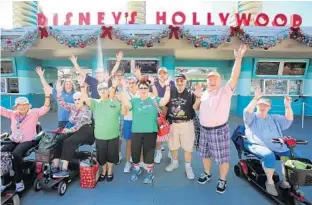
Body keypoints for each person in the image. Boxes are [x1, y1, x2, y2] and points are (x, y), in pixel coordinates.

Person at [194, 44, 248, 194]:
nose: (212, 80)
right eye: (209, 78)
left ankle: (222, 179)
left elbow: (234, 76)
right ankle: (207, 173)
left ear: (220, 80)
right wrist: (198, 98)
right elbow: (197, 108)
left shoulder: (225, 91)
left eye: (215, 78)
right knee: (205, 154)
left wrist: (238, 59)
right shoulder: (204, 93)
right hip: (204, 130)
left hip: (219, 131)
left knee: (222, 157)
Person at [69, 52, 124, 163]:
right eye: (97, 74)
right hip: (97, 109)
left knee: (115, 131)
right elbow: (81, 73)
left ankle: (116, 152)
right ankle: (99, 148)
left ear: (104, 75)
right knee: (98, 129)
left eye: (101, 74)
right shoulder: (93, 81)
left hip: (111, 110)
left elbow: (113, 71)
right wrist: (75, 63)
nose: (99, 76)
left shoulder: (108, 81)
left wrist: (118, 61)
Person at [243, 88, 294, 196]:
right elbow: (247, 111)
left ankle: (286, 181)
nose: (262, 107)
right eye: (260, 104)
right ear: (257, 105)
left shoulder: (274, 118)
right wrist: (256, 98)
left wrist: (287, 106)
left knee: (288, 154)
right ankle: (269, 182)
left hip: (276, 145)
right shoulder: (252, 117)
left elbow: (288, 120)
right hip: (256, 144)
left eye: (265, 105)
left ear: (270, 107)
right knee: (269, 155)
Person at [0, 86, 50, 192]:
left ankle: (18, 180)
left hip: (28, 140)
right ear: (16, 107)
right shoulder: (12, 114)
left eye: (24, 105)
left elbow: (45, 108)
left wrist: (47, 95)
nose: (22, 107)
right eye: (19, 106)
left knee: (16, 154)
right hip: (14, 139)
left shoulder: (34, 113)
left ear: (28, 106)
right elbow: (1, 110)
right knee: (2, 152)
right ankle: (6, 180)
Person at [80, 76, 129, 182]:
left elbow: (124, 112)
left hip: (113, 135)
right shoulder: (95, 103)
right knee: (101, 156)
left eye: (104, 89)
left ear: (108, 90)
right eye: (100, 89)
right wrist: (82, 86)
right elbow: (84, 98)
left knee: (111, 155)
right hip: (100, 136)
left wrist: (123, 98)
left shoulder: (115, 103)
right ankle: (103, 171)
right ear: (98, 91)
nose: (102, 91)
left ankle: (110, 171)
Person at [127, 78, 170, 184]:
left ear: (148, 89)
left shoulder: (154, 100)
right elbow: (125, 104)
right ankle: (137, 169)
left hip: (150, 131)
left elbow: (165, 100)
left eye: (145, 87)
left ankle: (150, 172)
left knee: (149, 154)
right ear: (138, 89)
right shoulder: (134, 101)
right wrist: (123, 87)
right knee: (135, 153)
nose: (143, 89)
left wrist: (168, 87)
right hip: (136, 131)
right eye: (141, 88)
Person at [52, 81, 95, 178]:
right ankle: (55, 166)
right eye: (75, 99)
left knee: (68, 142)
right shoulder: (73, 107)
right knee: (58, 139)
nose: (77, 101)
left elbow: (80, 124)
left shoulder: (87, 110)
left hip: (86, 130)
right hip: (75, 129)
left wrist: (68, 130)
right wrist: (59, 92)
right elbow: (62, 103)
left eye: (79, 99)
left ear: (83, 99)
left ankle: (64, 169)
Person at [164, 74, 201, 180]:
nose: (180, 83)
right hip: (173, 124)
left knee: (188, 147)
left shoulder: (191, 93)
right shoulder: (170, 92)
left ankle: (188, 167)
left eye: (182, 81)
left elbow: (196, 108)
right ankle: (174, 162)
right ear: (175, 82)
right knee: (173, 146)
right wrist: (163, 120)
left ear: (185, 82)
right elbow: (165, 106)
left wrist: (198, 97)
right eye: (177, 81)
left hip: (187, 124)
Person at [134, 66, 175, 163]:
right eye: (160, 73)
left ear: (167, 74)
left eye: (164, 73)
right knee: (159, 134)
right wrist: (139, 76)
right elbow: (143, 88)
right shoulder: (153, 83)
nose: (162, 75)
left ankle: (170, 150)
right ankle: (159, 152)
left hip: (169, 111)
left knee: (169, 132)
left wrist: (167, 108)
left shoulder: (172, 83)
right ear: (158, 74)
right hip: (156, 111)